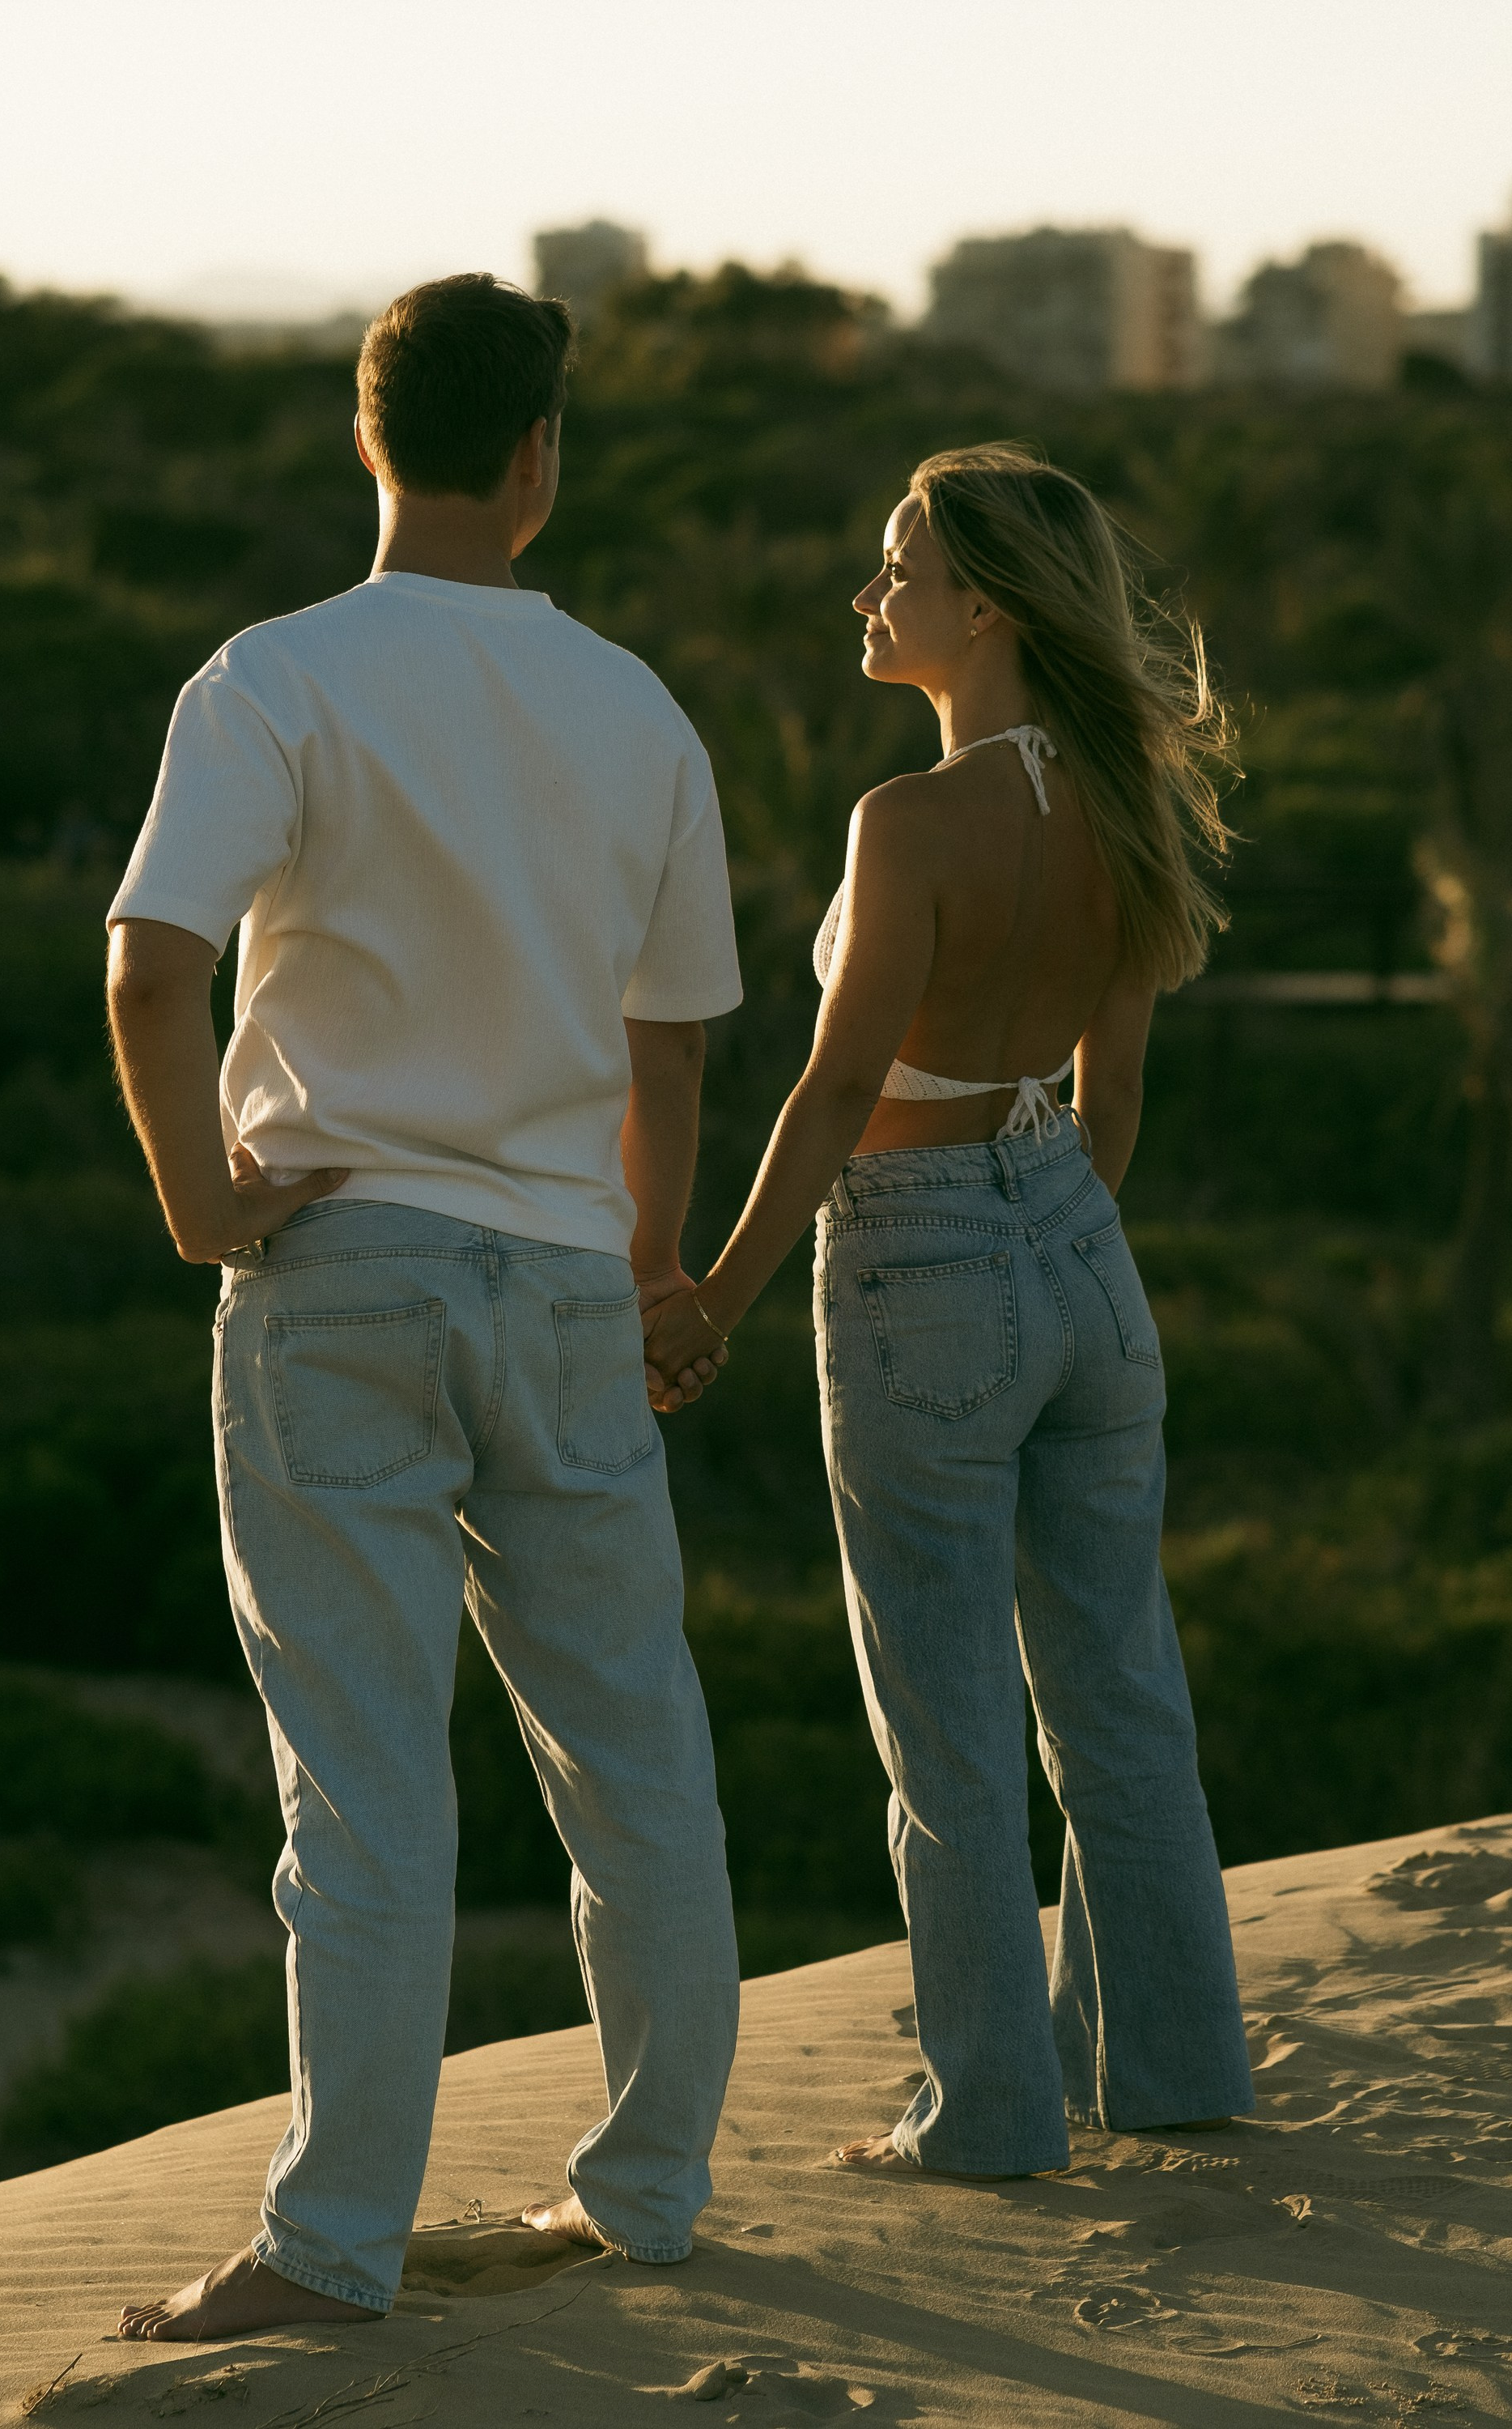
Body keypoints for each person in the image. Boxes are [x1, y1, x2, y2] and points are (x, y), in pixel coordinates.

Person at [105, 274, 742, 2341]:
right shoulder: (637, 709)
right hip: (563, 1279)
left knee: (366, 1789)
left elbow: (150, 968)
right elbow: (671, 1046)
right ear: (539, 456)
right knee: (636, 1759)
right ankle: (650, 2193)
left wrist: (200, 1205)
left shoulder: (273, 677)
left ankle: (332, 2245)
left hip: (342, 1273)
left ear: (367, 438)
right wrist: (653, 1262)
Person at [644, 442, 1255, 2180]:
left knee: (950, 1729)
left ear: (981, 608)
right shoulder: (1127, 798)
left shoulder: (905, 822)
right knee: (1122, 1697)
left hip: (916, 1263)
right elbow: (1112, 1089)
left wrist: (710, 1299)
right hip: (1077, 1245)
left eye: (898, 570)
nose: (869, 596)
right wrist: (1053, 1238)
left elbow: (838, 1092)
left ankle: (985, 2112)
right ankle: (1176, 2068)